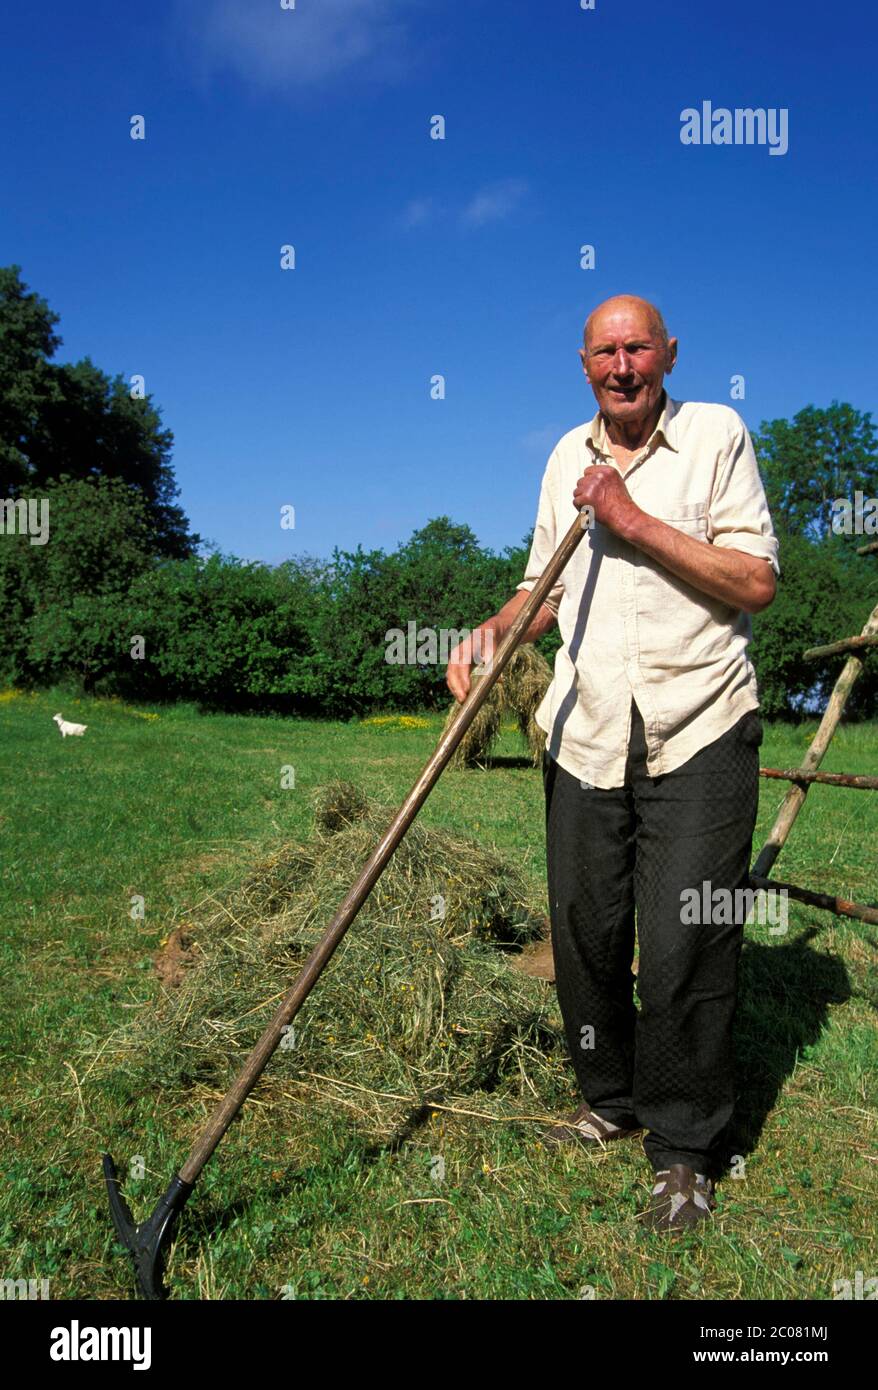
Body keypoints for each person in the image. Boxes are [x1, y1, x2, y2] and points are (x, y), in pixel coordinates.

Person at [445, 294, 779, 1228]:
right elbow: (541, 588)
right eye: (605, 352)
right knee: (586, 933)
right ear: (584, 365)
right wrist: (494, 633)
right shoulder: (565, 457)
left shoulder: (715, 435)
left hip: (699, 721)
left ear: (669, 355)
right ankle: (610, 1098)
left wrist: (631, 520)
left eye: (639, 348)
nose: (623, 365)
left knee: (683, 943)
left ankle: (685, 1146)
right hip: (587, 729)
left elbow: (755, 580)